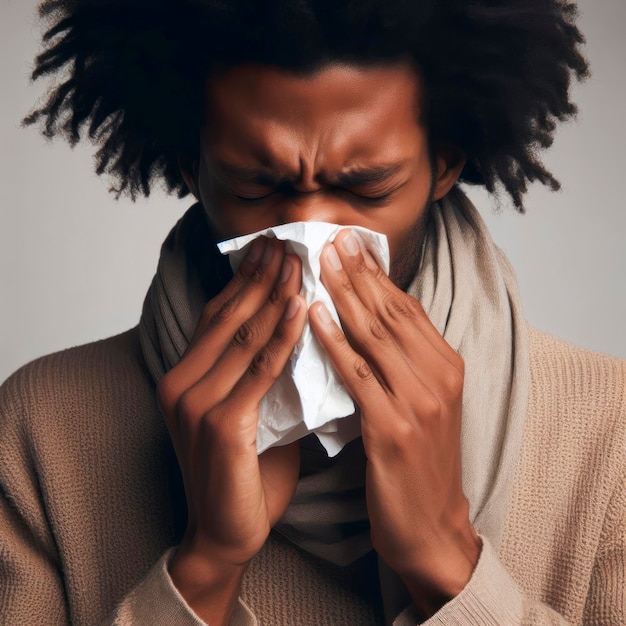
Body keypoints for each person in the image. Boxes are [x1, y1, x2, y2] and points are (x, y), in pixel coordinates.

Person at [1, 1, 624, 625]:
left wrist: (445, 555)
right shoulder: (43, 428)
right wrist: (206, 568)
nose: (312, 230)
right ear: (194, 170)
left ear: (445, 165)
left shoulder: (608, 431)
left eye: (367, 187)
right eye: (255, 187)